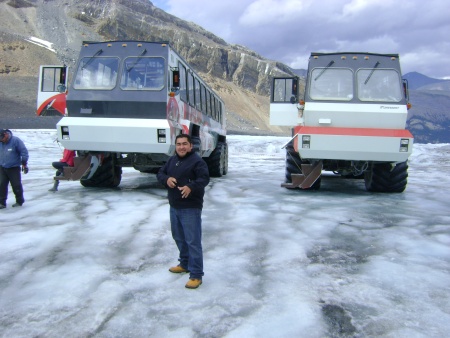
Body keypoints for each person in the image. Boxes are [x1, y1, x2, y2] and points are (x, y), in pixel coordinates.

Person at [157, 134, 210, 289]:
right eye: (179, 144)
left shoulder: (197, 162)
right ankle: (185, 263)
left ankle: (196, 274)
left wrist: (191, 187)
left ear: (190, 146)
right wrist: (166, 179)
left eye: (184, 144)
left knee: (193, 241)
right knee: (179, 237)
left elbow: (204, 179)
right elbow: (160, 173)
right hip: (174, 206)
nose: (181, 147)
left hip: (190, 208)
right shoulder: (172, 161)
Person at [0, 129, 29, 209]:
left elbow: (24, 152)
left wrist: (24, 162)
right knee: (2, 184)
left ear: (5, 135)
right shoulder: (1, 142)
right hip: (2, 167)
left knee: (16, 185)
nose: (1, 140)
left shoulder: (15, 141)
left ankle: (19, 201)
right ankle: (2, 202)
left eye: (2, 138)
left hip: (14, 167)